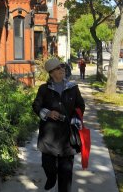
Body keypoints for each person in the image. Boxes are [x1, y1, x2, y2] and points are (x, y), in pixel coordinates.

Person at [32, 58, 85, 192]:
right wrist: (48, 113)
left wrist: (75, 119)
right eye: (58, 68)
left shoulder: (73, 88)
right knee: (48, 166)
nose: (62, 70)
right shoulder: (44, 89)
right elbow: (36, 105)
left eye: (62, 67)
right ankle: (51, 178)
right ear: (51, 73)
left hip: (67, 137)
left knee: (66, 172)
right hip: (49, 135)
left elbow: (80, 106)